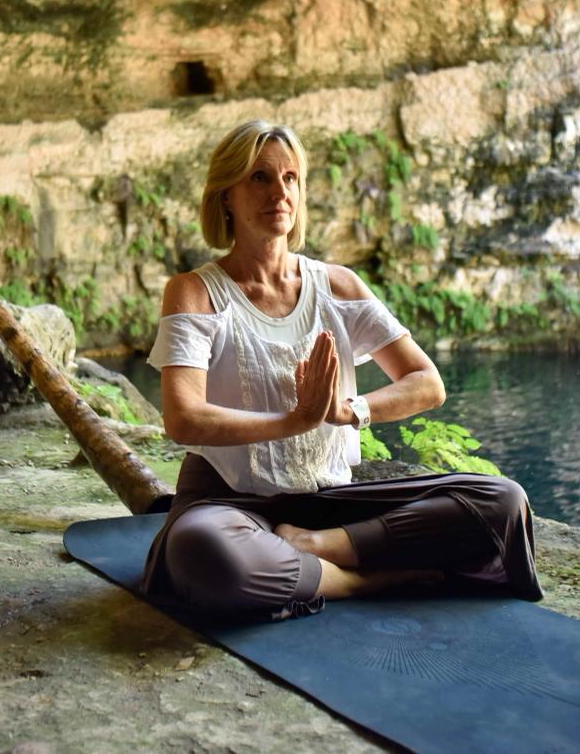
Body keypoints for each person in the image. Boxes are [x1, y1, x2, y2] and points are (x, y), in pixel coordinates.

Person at [142, 121, 543, 620]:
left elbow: (427, 384)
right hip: (229, 505)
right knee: (204, 552)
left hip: (331, 504)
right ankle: (363, 580)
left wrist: (349, 410)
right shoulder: (195, 291)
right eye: (260, 178)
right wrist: (295, 420)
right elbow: (183, 419)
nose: (280, 193)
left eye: (290, 178)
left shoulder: (338, 285)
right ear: (226, 196)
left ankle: (316, 546)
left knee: (502, 502)